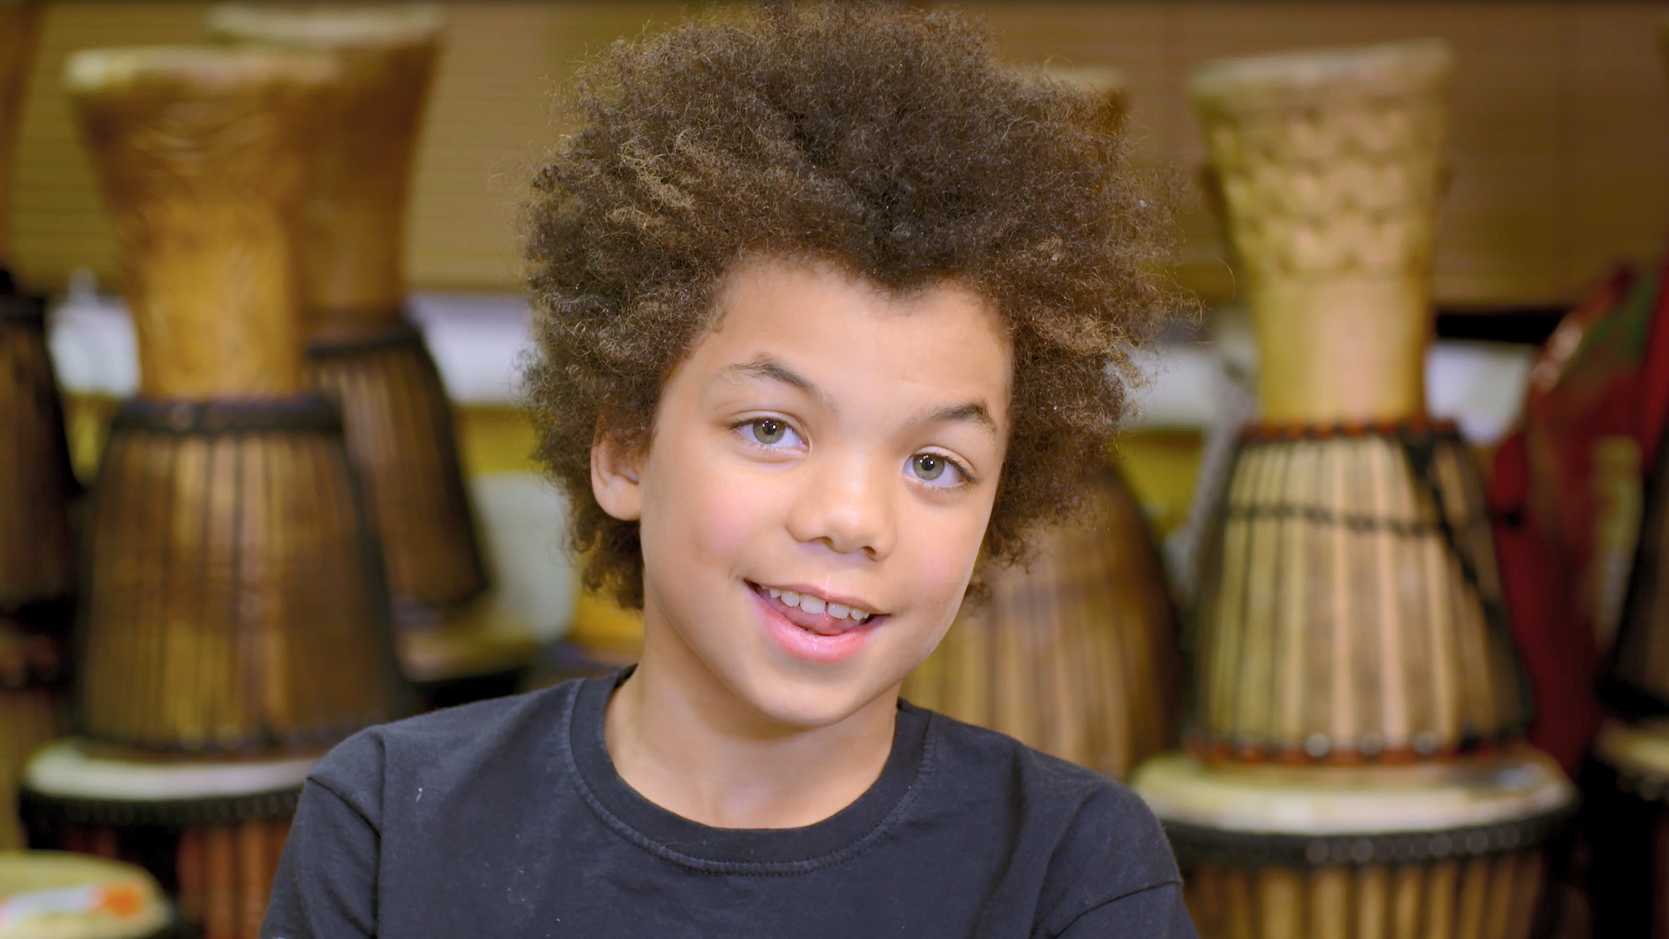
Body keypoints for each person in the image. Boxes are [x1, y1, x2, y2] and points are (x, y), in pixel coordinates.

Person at [262, 4, 1193, 936]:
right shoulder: (390, 823)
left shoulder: (1076, 869)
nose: (850, 518)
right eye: (770, 428)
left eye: (934, 462)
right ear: (625, 449)